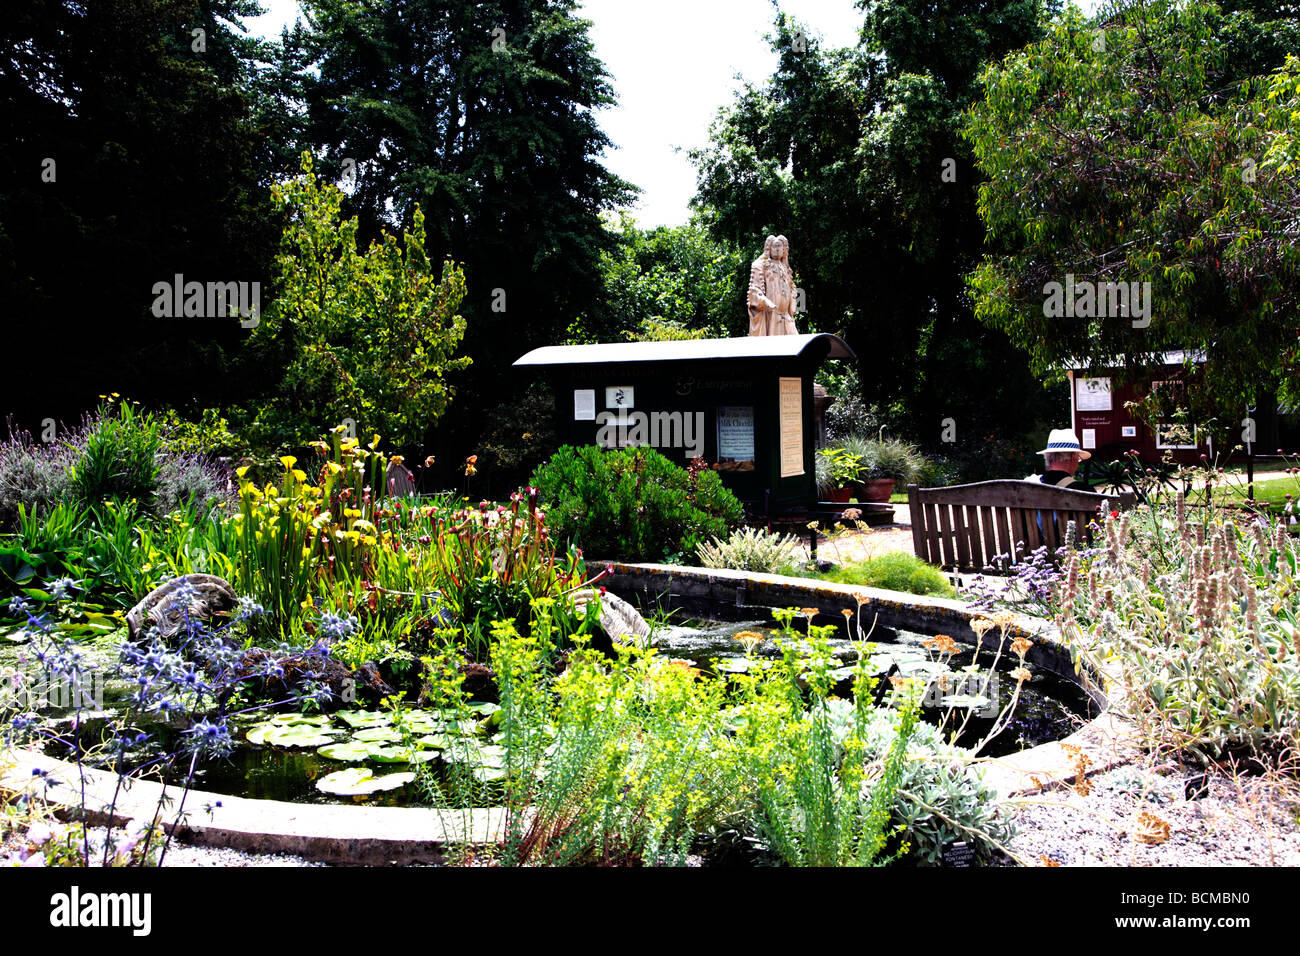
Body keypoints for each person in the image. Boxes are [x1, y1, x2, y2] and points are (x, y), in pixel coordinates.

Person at [747, 234, 799, 336]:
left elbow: (792, 289)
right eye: (775, 246)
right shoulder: (760, 265)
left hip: (787, 318)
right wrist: (765, 301)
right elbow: (754, 291)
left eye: (780, 246)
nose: (777, 249)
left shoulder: (785, 268)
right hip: (771, 317)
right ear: (769, 248)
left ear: (784, 249)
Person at [1027, 428, 1096, 492]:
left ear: (1047, 457)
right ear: (1073, 457)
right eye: (1078, 458)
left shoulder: (1028, 486)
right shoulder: (1086, 491)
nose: (1078, 464)